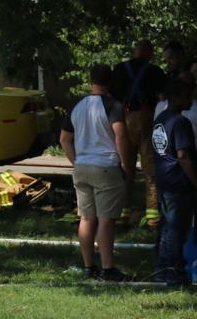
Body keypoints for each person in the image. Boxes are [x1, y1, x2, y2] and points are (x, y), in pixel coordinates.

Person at [60, 63, 134, 282]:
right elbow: (119, 134)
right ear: (110, 82)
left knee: (86, 218)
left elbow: (64, 139)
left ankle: (88, 266)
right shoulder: (113, 106)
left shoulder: (77, 105)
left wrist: (77, 161)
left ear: (90, 81)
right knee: (106, 220)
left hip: (82, 167)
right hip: (105, 166)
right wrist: (125, 163)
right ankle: (108, 268)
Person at [111, 39, 168, 227]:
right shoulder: (155, 71)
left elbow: (112, 97)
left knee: (125, 168)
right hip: (147, 118)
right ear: (149, 53)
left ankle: (122, 213)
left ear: (134, 52)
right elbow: (162, 98)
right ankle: (153, 216)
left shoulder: (119, 69)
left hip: (123, 118)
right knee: (150, 166)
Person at [151, 78, 197, 286]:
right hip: (178, 182)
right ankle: (171, 271)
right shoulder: (181, 122)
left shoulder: (161, 118)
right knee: (176, 229)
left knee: (167, 226)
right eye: (188, 96)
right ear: (177, 97)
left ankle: (162, 268)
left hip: (163, 178)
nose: (191, 100)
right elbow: (183, 156)